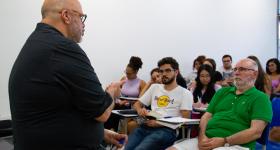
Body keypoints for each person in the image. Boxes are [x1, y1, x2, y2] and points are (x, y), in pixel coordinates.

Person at [8, 0, 127, 149]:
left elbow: (53, 111)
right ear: (66, 15)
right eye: (81, 17)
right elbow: (102, 112)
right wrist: (112, 91)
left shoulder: (38, 42)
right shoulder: (62, 47)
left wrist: (100, 133)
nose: (83, 25)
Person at [168, 58, 272, 150]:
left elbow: (255, 132)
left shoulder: (261, 98)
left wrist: (224, 141)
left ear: (255, 74)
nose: (236, 72)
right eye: (235, 69)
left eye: (242, 69)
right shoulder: (223, 92)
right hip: (206, 139)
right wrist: (202, 136)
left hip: (236, 144)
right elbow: (206, 116)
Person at [125, 57, 193, 150]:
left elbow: (185, 118)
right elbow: (137, 104)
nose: (164, 74)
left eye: (168, 70)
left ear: (176, 72)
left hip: (166, 130)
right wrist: (140, 110)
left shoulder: (185, 93)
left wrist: (160, 123)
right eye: (161, 71)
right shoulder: (155, 88)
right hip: (146, 126)